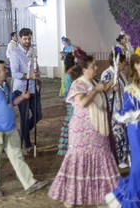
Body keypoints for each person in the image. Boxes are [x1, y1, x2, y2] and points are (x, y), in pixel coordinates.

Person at [48, 50, 120, 207]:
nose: (96, 68)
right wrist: (98, 90)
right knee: (78, 163)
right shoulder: (77, 84)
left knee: (101, 160)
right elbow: (83, 103)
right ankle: (71, 197)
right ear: (84, 69)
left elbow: (98, 100)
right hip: (82, 133)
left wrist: (108, 90)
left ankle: (103, 195)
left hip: (98, 131)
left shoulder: (94, 82)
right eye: (93, 66)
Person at [0, 60, 48, 197]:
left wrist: (22, 97)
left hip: (10, 128)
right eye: (4, 68)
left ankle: (30, 183)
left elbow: (10, 102)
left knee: (17, 156)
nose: (7, 70)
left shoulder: (5, 85)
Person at [105, 53, 140, 208]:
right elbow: (127, 107)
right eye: (139, 63)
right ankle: (131, 199)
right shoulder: (131, 86)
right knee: (138, 165)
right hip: (136, 128)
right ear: (135, 66)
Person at [10, 28, 42, 153]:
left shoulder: (33, 50)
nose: (27, 41)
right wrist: (29, 76)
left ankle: (21, 134)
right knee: (24, 116)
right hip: (21, 90)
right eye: (25, 39)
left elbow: (36, 66)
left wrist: (38, 78)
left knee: (38, 115)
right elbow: (15, 73)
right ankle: (27, 143)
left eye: (29, 38)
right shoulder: (15, 53)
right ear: (20, 38)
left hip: (34, 87)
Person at [101, 50, 131, 168]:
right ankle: (116, 159)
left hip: (123, 108)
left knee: (124, 134)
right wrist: (112, 91)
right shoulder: (107, 74)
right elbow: (103, 93)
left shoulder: (121, 74)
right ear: (118, 63)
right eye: (124, 63)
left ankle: (123, 158)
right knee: (117, 135)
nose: (125, 65)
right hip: (113, 110)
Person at [57, 52, 76, 156]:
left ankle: (68, 145)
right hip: (73, 98)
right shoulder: (74, 73)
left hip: (70, 98)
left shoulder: (68, 74)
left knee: (70, 119)